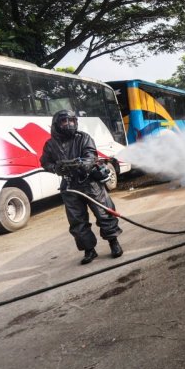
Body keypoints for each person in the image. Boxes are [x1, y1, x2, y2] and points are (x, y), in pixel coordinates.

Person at [40, 110, 123, 264]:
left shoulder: (84, 138)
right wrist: (56, 168)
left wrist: (83, 164)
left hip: (90, 183)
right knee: (77, 221)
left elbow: (91, 155)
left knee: (104, 214)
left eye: (71, 120)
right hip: (70, 187)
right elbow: (45, 162)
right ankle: (89, 250)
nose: (69, 124)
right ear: (57, 124)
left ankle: (114, 243)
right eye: (64, 121)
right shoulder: (50, 144)